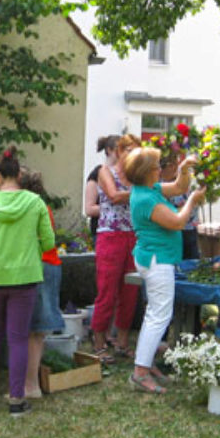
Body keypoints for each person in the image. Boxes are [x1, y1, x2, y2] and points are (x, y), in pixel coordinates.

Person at [0, 146, 55, 417]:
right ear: (19, 174)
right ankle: (16, 399)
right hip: (25, 277)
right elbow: (50, 242)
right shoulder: (35, 203)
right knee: (18, 338)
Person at [124, 147, 206, 394]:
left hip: (155, 258)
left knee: (155, 315)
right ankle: (140, 373)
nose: (161, 169)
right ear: (148, 172)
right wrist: (193, 200)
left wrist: (184, 170)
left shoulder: (149, 190)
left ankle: (146, 365)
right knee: (158, 316)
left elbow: (179, 188)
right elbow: (179, 222)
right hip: (157, 260)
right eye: (157, 166)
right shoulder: (146, 198)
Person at [91, 133, 142, 364]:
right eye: (128, 148)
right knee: (107, 292)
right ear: (117, 150)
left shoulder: (136, 175)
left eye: (135, 149)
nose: (132, 152)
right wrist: (142, 193)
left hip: (133, 236)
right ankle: (99, 344)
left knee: (130, 292)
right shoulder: (104, 171)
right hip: (110, 236)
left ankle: (122, 343)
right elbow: (112, 196)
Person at [19, 168, 65, 399]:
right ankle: (32, 384)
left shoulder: (28, 208)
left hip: (37, 267)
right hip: (49, 265)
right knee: (37, 331)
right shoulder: (42, 206)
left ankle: (30, 385)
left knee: (31, 331)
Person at [160, 155, 201, 260]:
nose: (159, 173)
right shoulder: (161, 182)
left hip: (187, 229)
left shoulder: (187, 179)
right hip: (168, 231)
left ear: (172, 166)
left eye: (162, 169)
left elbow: (193, 204)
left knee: (190, 262)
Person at [84, 135, 120, 242]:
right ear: (109, 150)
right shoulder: (97, 173)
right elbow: (89, 209)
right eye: (119, 149)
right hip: (103, 230)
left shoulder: (125, 174)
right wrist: (116, 207)